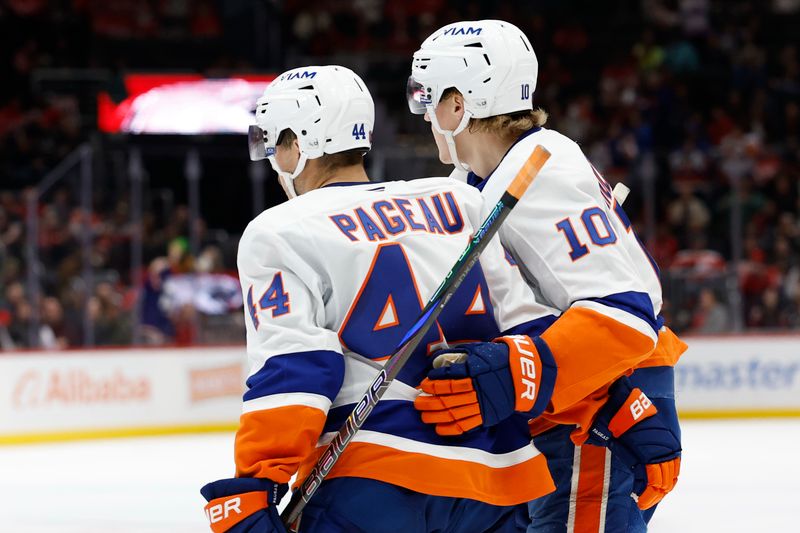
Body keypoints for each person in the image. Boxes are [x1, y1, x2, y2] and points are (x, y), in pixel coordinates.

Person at [201, 65, 567, 533]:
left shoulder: (279, 229)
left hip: (372, 482)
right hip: (496, 478)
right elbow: (529, 334)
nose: (274, 161)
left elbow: (297, 368)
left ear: (299, 144)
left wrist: (256, 481)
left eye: (276, 145)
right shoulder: (456, 199)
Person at [407, 20, 687, 533]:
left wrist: (509, 373)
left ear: (459, 104)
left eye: (426, 96)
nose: (423, 113)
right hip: (558, 416)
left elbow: (625, 318)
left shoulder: (542, 170)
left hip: (599, 416)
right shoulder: (483, 178)